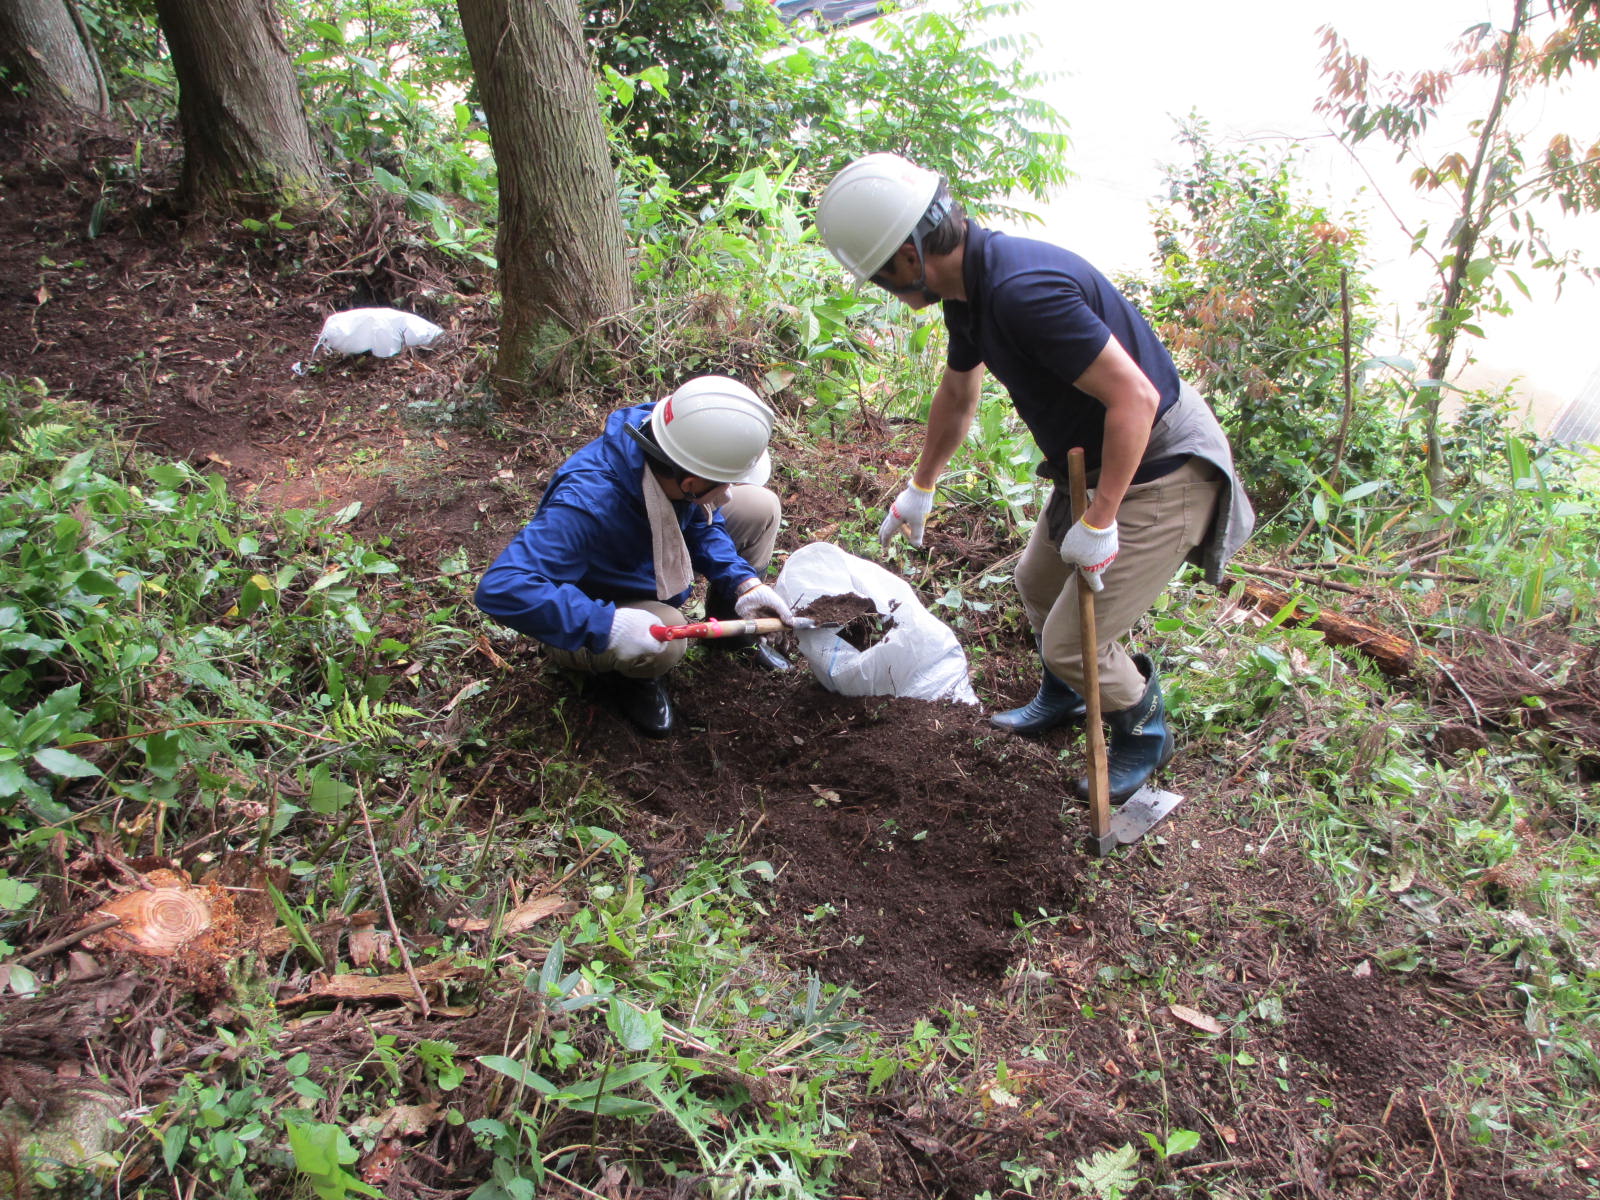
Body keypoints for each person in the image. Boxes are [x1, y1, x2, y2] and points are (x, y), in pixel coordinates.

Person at [814, 153, 1254, 802]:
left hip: (1163, 466)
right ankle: (1069, 695)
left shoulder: (1023, 293)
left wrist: (1102, 520)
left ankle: (1142, 728)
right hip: (1101, 454)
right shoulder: (969, 292)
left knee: (1078, 640)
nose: (886, 287)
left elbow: (1136, 400)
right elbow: (958, 397)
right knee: (1038, 582)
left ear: (910, 256)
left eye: (880, 274)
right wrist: (921, 486)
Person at [474, 375, 797, 737]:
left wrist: (744, 583)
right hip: (600, 602)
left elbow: (701, 522)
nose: (730, 491)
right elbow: (501, 587)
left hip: (640, 562)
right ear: (691, 484)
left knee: (759, 506)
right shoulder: (588, 503)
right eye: (726, 482)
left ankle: (732, 632)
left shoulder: (672, 451)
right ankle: (631, 676)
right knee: (667, 637)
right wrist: (605, 625)